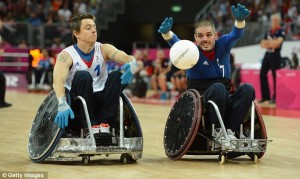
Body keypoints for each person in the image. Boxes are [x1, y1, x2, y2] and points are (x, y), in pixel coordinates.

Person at [158, 4, 253, 149]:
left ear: (215, 35)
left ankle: (231, 132)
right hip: (201, 97)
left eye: (209, 35)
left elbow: (236, 34)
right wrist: (167, 34)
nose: (205, 39)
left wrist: (239, 22)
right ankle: (217, 132)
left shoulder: (223, 44)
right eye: (200, 36)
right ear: (195, 38)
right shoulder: (191, 50)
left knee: (248, 89)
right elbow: (176, 44)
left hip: (225, 93)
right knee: (218, 88)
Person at [52, 13, 138, 136]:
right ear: (76, 33)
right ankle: (90, 125)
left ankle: (105, 124)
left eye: (94, 27)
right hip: (79, 102)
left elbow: (124, 56)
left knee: (115, 76)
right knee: (83, 75)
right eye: (88, 28)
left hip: (102, 100)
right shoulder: (66, 55)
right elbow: (58, 81)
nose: (93, 30)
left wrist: (132, 63)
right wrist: (61, 102)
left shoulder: (103, 48)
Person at [259, 13, 285, 104]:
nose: (274, 22)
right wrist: (272, 43)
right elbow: (262, 44)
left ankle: (276, 97)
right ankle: (266, 97)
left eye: (276, 20)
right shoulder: (269, 32)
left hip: (276, 55)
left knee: (275, 76)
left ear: (279, 21)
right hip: (267, 54)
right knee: (262, 74)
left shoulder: (281, 31)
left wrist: (269, 43)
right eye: (273, 20)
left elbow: (277, 44)